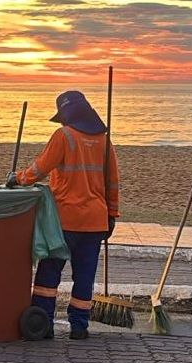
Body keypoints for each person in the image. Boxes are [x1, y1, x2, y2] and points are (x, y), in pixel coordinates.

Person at [6, 90, 119, 340]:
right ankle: (79, 326)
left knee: (49, 272)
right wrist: (112, 214)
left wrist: (17, 178)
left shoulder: (64, 136)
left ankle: (43, 323)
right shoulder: (104, 142)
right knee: (85, 276)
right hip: (95, 221)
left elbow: (40, 168)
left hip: (64, 221)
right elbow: (113, 183)